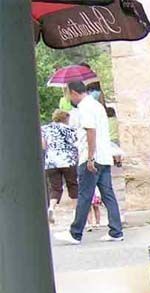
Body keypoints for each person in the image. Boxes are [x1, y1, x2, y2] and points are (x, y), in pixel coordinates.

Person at [54, 80, 124, 244]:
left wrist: (90, 157)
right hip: (104, 156)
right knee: (108, 194)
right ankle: (116, 230)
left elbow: (90, 131)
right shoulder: (97, 106)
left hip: (91, 157)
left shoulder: (85, 108)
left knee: (84, 194)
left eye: (68, 94)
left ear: (73, 93)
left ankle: (75, 232)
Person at [41, 109, 78, 225]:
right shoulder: (70, 129)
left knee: (55, 188)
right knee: (72, 185)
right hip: (68, 160)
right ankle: (76, 212)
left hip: (51, 161)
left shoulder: (45, 129)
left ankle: (51, 208)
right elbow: (75, 143)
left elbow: (43, 145)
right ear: (65, 118)